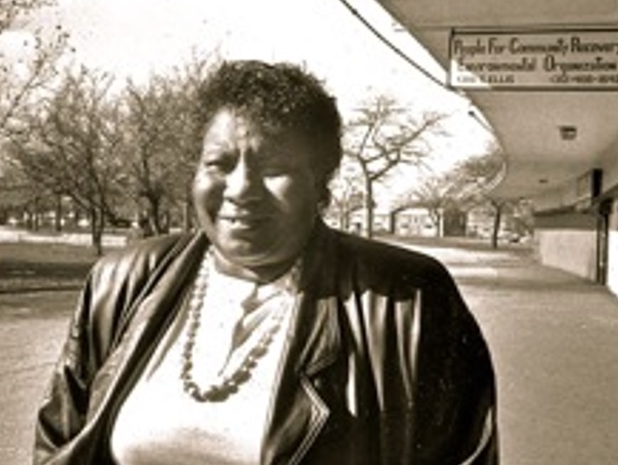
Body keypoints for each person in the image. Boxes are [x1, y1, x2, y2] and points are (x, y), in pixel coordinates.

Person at [33, 60, 497, 464]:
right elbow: (61, 441)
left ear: (322, 186)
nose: (241, 190)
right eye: (219, 163)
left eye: (275, 168)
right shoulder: (123, 282)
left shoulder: (406, 298)